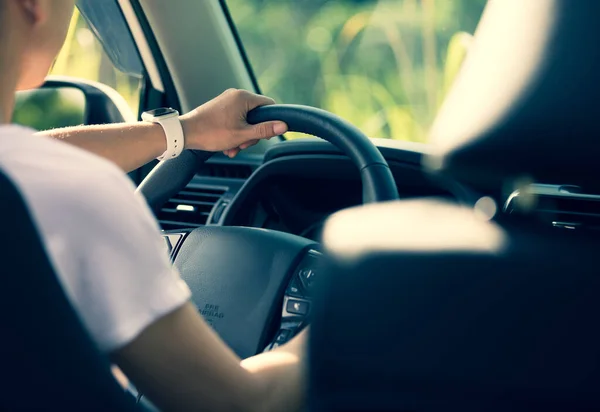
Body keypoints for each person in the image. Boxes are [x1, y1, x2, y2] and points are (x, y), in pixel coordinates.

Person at [0, 1, 307, 411]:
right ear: (34, 5)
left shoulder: (31, 184)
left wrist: (186, 130)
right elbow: (245, 404)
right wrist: (343, 306)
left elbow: (24, 157)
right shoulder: (71, 197)